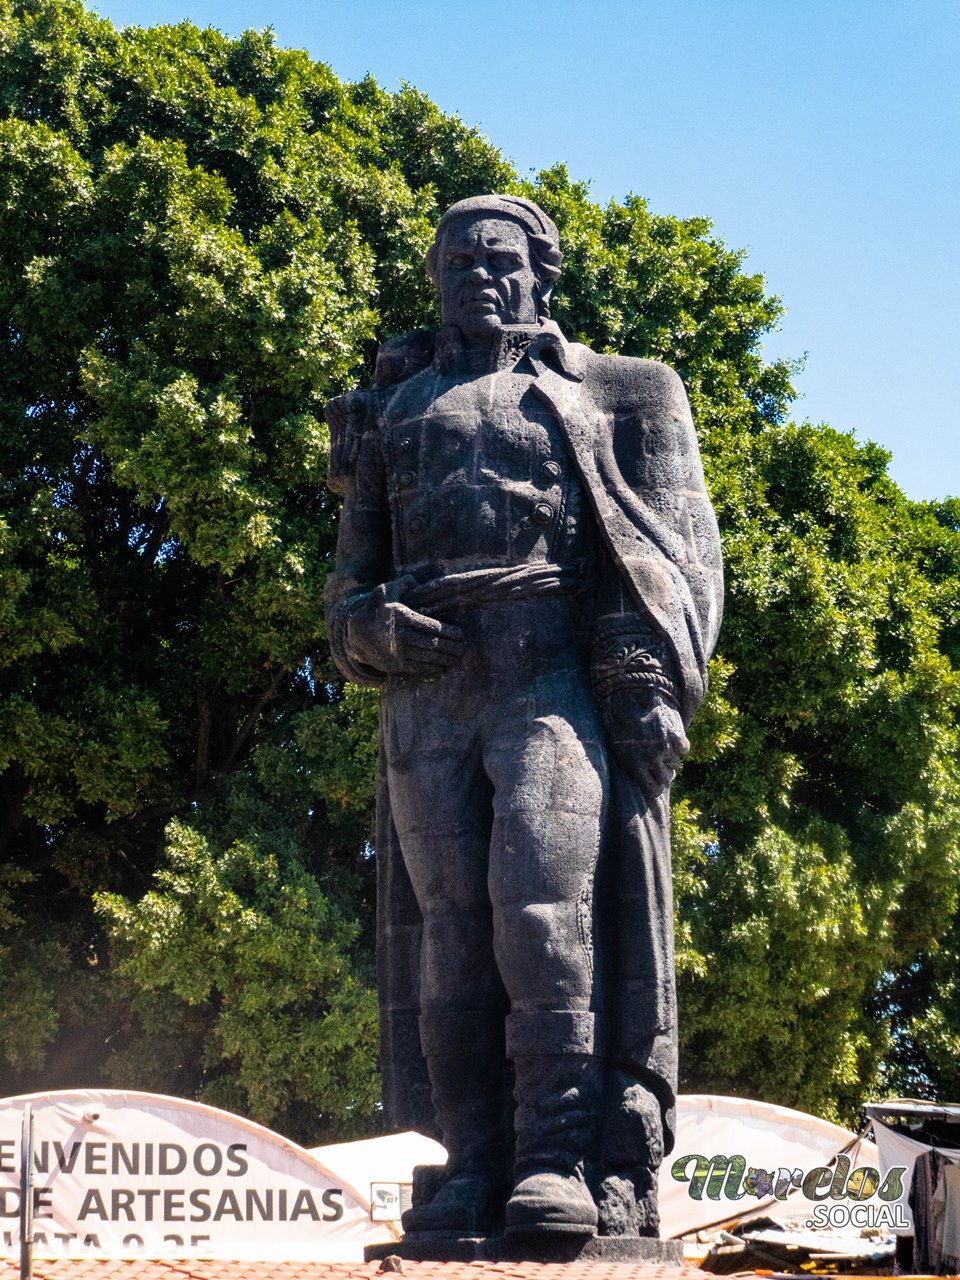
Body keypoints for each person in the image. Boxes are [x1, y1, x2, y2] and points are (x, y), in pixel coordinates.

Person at [325, 194, 723, 1241]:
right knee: (450, 938)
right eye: (455, 259)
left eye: (498, 257)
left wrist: (643, 675)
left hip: (546, 675)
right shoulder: (392, 407)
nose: (476, 274)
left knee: (544, 917)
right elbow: (347, 590)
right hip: (429, 690)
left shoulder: (623, 391)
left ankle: (557, 1160)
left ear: (540, 271)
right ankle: (473, 1162)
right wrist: (372, 628)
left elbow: (676, 552)